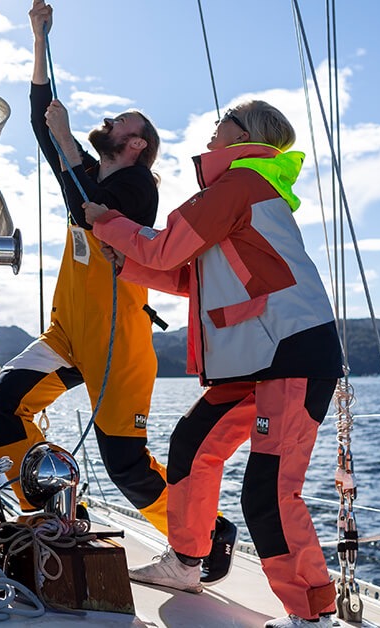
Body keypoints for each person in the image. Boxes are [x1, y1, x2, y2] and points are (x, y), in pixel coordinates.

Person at [84, 99, 344, 628]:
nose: (213, 126)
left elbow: (165, 250)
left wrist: (106, 222)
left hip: (290, 354)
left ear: (243, 135)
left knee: (269, 491)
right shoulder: (234, 192)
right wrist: (126, 261)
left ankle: (313, 614)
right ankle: (186, 563)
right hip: (256, 359)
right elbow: (188, 277)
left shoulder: (240, 187)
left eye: (223, 120)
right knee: (192, 445)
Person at [0, 0, 169, 535]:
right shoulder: (90, 170)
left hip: (117, 342)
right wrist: (40, 38)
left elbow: (94, 211)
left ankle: (206, 535)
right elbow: (40, 119)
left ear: (136, 145)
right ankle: (51, 504)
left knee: (127, 467)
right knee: (2, 405)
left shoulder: (140, 186)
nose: (111, 121)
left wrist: (68, 142)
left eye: (123, 122)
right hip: (68, 334)